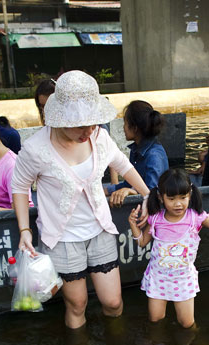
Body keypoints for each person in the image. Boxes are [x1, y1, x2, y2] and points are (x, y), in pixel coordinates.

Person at [12, 70, 151, 329]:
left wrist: (147, 194)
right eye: (80, 124)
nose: (88, 130)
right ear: (60, 118)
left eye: (93, 122)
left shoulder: (99, 136)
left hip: (100, 230)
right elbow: (19, 187)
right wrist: (24, 230)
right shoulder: (35, 149)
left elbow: (123, 165)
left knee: (113, 302)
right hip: (61, 237)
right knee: (77, 305)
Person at [128, 169, 209, 329]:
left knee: (187, 323)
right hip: (159, 278)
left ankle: (193, 343)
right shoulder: (156, 218)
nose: (178, 204)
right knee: (155, 320)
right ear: (160, 197)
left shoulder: (195, 218)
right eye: (171, 199)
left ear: (190, 194)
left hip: (183, 280)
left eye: (183, 198)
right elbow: (142, 242)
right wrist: (132, 225)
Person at [105, 100, 169, 207]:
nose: (123, 128)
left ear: (134, 128)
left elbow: (153, 192)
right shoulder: (136, 149)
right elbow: (129, 183)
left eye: (125, 123)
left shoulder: (154, 155)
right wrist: (106, 190)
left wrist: (131, 191)